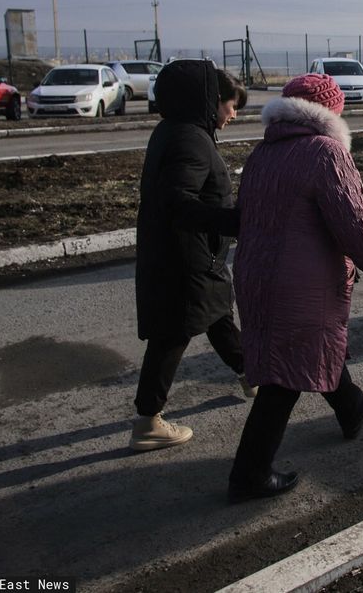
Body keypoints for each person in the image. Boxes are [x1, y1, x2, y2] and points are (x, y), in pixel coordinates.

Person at [227, 73, 363, 502]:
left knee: (314, 345)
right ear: (330, 112)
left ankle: (352, 408)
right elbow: (358, 226)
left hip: (256, 274)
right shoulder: (326, 153)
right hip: (300, 280)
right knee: (284, 376)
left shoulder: (262, 153)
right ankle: (249, 472)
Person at [130, 61, 250, 452]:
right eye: (231, 105)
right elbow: (178, 201)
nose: (233, 114)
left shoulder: (176, 130)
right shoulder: (191, 139)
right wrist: (236, 222)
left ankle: (251, 371)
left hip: (193, 254)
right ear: (211, 100)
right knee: (173, 333)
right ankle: (148, 420)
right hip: (185, 257)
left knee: (216, 313)